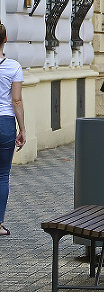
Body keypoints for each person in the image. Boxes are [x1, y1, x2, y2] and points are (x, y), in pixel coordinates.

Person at [0, 21, 25, 237]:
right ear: (5, 40)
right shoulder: (13, 67)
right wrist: (22, 129)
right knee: (2, 175)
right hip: (5, 123)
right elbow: (16, 100)